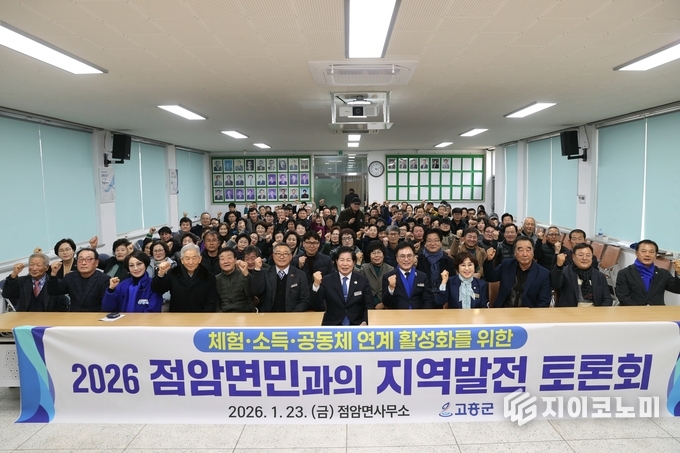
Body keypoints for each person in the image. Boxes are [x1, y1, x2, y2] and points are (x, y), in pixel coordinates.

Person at [483, 237, 551, 308]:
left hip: (529, 312)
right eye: (520, 250)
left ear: (533, 252)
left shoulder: (543, 274)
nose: (525, 254)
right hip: (504, 310)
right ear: (515, 253)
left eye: (528, 250)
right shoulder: (506, 265)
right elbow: (490, 277)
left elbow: (544, 302)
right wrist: (489, 260)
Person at [312, 246, 372, 325]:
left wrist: (365, 321)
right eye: (341, 260)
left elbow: (369, 305)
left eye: (348, 260)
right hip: (333, 325)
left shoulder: (362, 281)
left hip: (357, 325)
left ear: (354, 262)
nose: (345, 264)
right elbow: (316, 305)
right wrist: (316, 285)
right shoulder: (327, 280)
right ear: (336, 261)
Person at [152, 244, 217, 312]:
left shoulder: (209, 276)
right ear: (182, 260)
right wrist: (160, 274)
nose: (191, 262)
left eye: (194, 258)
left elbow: (211, 303)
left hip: (201, 316)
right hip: (177, 315)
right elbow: (158, 290)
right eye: (187, 258)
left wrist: (202, 317)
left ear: (200, 259)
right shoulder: (173, 273)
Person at [615, 239, 680, 305]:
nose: (647, 255)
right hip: (633, 310)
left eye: (651, 252)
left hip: (657, 310)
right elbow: (623, 297)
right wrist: (639, 310)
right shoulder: (624, 273)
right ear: (636, 253)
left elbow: (677, 289)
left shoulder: (663, 274)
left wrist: (679, 274)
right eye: (643, 251)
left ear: (655, 255)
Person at [250, 243, 310, 312]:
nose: (282, 257)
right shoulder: (265, 273)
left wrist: (294, 315)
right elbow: (256, 291)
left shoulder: (300, 275)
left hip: (292, 315)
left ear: (291, 257)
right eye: (278, 254)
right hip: (268, 315)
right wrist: (257, 269)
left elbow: (304, 300)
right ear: (273, 256)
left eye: (285, 254)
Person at [3, 253, 68, 311]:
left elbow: (62, 307)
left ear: (47, 267)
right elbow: (7, 294)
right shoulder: (21, 281)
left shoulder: (55, 283)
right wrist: (14, 275)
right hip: (25, 318)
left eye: (38, 265)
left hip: (48, 318)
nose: (34, 268)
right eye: (31, 265)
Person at [382, 242, 434, 309]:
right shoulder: (388, 277)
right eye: (402, 256)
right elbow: (386, 303)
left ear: (414, 257)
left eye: (409, 256)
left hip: (418, 314)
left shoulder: (422, 276)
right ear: (397, 258)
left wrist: (422, 314)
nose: (406, 259)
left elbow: (428, 301)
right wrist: (391, 288)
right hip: (397, 315)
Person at [215, 248, 256, 312]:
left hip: (244, 313)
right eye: (222, 259)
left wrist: (246, 276)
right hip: (224, 314)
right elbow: (215, 302)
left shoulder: (245, 275)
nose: (226, 261)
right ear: (219, 262)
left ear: (235, 260)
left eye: (229, 258)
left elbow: (251, 295)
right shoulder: (216, 279)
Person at [356, 240, 394, 309]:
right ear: (369, 255)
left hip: (385, 306)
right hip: (367, 305)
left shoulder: (390, 269)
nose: (376, 255)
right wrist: (358, 262)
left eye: (379, 252)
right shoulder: (364, 268)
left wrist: (384, 304)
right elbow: (356, 280)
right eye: (373, 253)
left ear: (383, 254)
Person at [417, 228, 455, 293]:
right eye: (429, 241)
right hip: (423, 296)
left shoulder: (448, 261)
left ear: (441, 243)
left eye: (436, 240)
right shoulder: (418, 260)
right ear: (425, 243)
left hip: (444, 296)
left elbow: (452, 283)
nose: (432, 243)